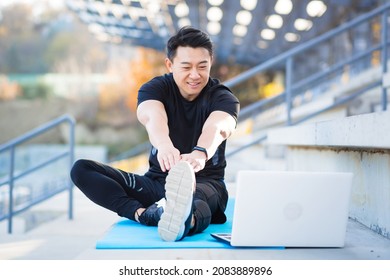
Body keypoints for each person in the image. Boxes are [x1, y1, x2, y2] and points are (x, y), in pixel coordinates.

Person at [70, 26, 240, 242]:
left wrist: (200, 153)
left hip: (206, 184)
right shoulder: (155, 89)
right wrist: (164, 145)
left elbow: (219, 126)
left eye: (202, 67)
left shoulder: (223, 97)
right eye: (186, 66)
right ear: (170, 65)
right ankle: (144, 214)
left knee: (196, 200)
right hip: (157, 184)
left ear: (211, 64)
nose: (195, 75)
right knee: (82, 169)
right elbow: (152, 116)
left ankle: (185, 220)